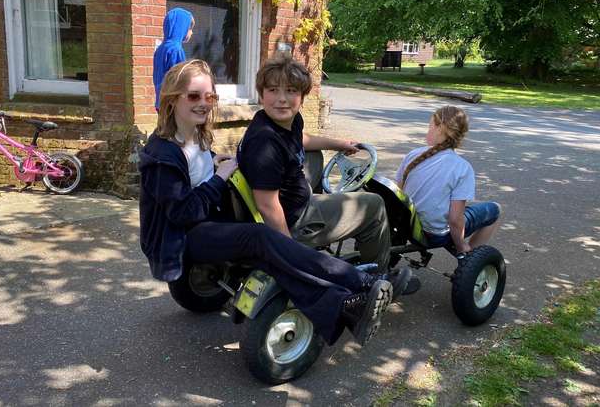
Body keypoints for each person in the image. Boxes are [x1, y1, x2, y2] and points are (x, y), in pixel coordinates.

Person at [138, 59, 411, 346]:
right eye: (194, 96)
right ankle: (361, 282)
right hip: (184, 235)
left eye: (210, 96)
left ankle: (345, 303)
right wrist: (218, 178)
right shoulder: (162, 155)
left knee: (273, 258)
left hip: (213, 217)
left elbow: (196, 170)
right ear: (171, 99)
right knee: (265, 241)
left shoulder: (195, 133)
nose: (203, 104)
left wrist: (213, 161)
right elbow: (182, 212)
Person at [237, 55, 398, 276]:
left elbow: (301, 138)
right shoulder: (265, 144)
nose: (281, 99)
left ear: (302, 97)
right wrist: (290, 255)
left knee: (315, 156)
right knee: (374, 205)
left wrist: (339, 143)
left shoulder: (282, 120)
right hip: (296, 219)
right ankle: (378, 277)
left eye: (291, 91)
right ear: (261, 94)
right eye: (273, 90)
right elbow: (267, 205)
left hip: (292, 198)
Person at [395, 106, 502, 254]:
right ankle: (470, 255)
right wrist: (461, 246)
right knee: (495, 209)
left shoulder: (413, 155)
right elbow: (455, 220)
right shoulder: (462, 168)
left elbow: (398, 194)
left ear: (439, 128)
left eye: (429, 126)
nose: (428, 130)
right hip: (434, 235)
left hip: (405, 226)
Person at [152, 7, 195, 110]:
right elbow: (180, 78)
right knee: (173, 126)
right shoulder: (175, 49)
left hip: (161, 100)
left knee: (164, 125)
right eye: (190, 28)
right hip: (172, 103)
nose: (191, 32)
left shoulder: (161, 48)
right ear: (181, 27)